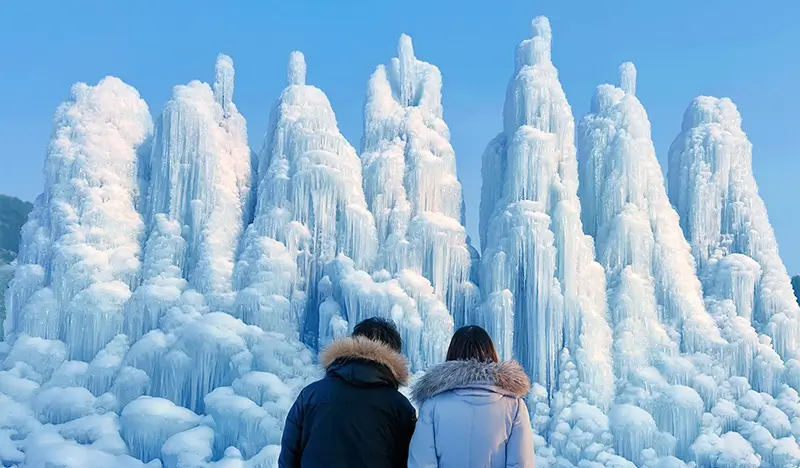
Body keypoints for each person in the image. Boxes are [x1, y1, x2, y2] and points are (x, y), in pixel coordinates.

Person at [278, 317, 416, 468]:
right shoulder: (400, 407)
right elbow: (411, 462)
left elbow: (289, 457)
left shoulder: (310, 395)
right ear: (394, 356)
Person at [408, 325, 535, 467]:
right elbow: (522, 464)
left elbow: (421, 464)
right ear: (491, 355)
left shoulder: (432, 405)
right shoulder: (514, 407)